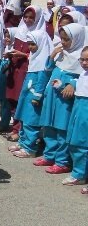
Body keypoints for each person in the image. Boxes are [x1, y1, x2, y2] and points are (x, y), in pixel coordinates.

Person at [35, 23, 86, 174]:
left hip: (65, 100)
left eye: (67, 40)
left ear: (76, 39)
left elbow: (82, 78)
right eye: (62, 39)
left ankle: (62, 161)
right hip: (52, 96)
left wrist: (72, 84)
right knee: (49, 126)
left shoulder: (81, 58)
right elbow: (48, 70)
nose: (63, 42)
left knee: (61, 129)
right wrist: (52, 57)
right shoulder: (61, 53)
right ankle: (49, 155)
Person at [10, 30, 53, 157]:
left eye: (33, 44)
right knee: (23, 119)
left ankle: (30, 148)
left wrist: (37, 95)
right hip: (27, 94)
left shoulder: (44, 60)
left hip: (34, 97)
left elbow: (43, 79)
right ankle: (22, 143)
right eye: (29, 44)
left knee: (31, 122)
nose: (30, 47)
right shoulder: (35, 58)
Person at [64, 46, 88, 188]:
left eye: (87, 60)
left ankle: (79, 174)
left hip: (85, 112)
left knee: (81, 144)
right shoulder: (83, 74)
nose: (84, 63)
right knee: (75, 141)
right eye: (82, 59)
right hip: (78, 110)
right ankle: (79, 173)